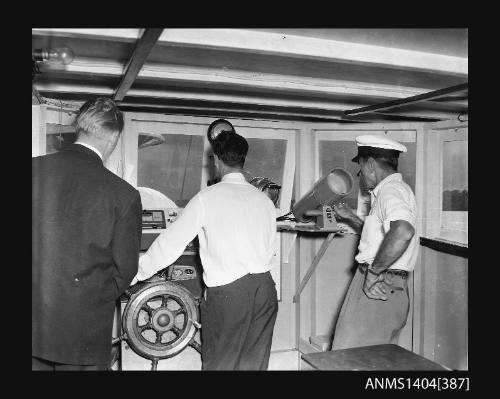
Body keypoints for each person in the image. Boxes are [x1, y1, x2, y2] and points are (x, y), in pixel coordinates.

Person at [133, 130, 278, 370]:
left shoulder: (206, 198)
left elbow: (170, 244)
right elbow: (270, 250)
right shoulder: (263, 200)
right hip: (265, 290)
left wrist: (136, 273)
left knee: (219, 365)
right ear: (242, 161)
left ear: (217, 161)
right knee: (254, 366)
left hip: (230, 294)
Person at [32, 98, 142, 370]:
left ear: (79, 127)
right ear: (114, 136)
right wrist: (91, 297)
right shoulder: (123, 195)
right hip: (84, 333)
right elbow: (125, 270)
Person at [331, 134, 418, 350]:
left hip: (377, 285)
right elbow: (382, 238)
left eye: (360, 171)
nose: (361, 178)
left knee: (347, 359)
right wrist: (350, 217)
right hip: (385, 284)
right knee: (372, 360)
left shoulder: (390, 191)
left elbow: (403, 231)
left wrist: (373, 273)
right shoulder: (394, 191)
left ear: (370, 164)